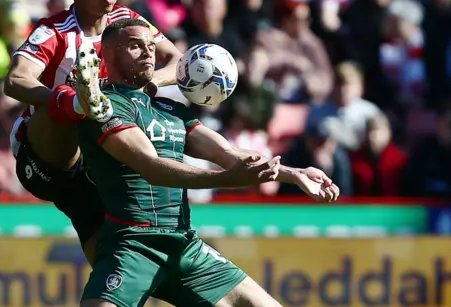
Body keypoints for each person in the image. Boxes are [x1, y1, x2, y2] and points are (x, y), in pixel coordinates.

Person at [76, 18, 340, 307]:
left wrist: (292, 173)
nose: (148, 53)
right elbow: (151, 167)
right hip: (132, 244)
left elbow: (227, 153)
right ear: (109, 54)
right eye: (135, 46)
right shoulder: (103, 106)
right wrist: (225, 179)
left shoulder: (170, 109)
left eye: (151, 46)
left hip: (185, 245)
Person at [3, 0, 181, 262]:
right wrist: (63, 98)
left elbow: (176, 59)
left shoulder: (128, 23)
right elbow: (15, 81)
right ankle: (81, 101)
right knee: (74, 107)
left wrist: (153, 83)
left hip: (96, 156)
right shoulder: (53, 32)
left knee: (110, 251)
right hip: (45, 156)